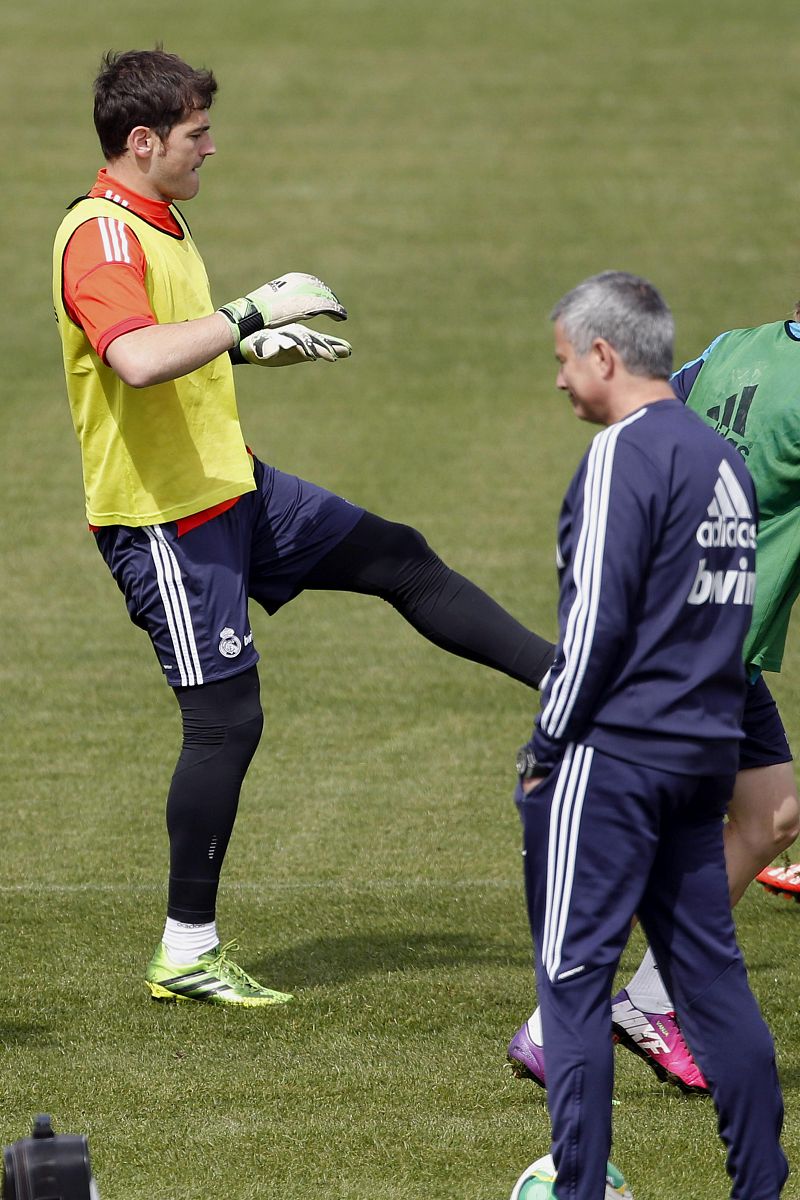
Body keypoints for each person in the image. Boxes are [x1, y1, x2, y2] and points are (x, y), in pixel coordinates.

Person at [52, 48, 556, 1007]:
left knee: (397, 556)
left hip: (232, 486)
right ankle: (185, 951)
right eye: (197, 134)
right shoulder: (103, 237)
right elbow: (136, 359)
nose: (211, 148)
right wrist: (247, 312)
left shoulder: (159, 219)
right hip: (168, 520)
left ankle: (571, 682)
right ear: (142, 140)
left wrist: (245, 349)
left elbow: (168, 349)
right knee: (226, 722)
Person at [510, 271, 787, 1199]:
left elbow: (593, 625)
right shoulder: (722, 460)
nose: (559, 380)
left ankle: (579, 1189)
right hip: (703, 754)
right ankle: (761, 1185)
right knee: (713, 986)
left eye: (564, 360)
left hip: (614, 759)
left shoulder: (622, 456)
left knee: (572, 984)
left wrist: (545, 750)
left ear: (604, 354)